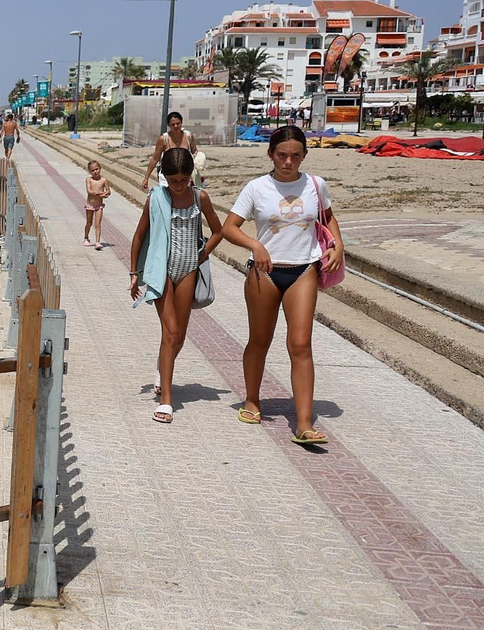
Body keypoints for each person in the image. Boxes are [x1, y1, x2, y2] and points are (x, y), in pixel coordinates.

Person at [220, 126, 342, 446]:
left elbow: (328, 218)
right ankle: (252, 400)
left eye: (295, 155)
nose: (288, 162)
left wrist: (337, 245)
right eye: (282, 155)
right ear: (271, 154)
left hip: (304, 270)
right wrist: (254, 245)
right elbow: (229, 228)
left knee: (300, 344)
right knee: (259, 341)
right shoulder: (257, 188)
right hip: (265, 273)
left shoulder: (316, 185)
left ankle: (303, 423)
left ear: (304, 155)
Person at [129, 148, 224, 425]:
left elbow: (219, 231)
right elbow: (139, 235)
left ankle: (163, 367)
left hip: (188, 270)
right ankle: (166, 399)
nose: (179, 185)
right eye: (173, 181)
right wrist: (134, 273)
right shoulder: (156, 198)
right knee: (170, 331)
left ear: (191, 175)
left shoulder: (199, 197)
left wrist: (203, 254)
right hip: (161, 271)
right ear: (164, 177)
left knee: (179, 334)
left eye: (183, 180)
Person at [141, 111, 199, 191]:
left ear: (181, 123)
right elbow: (155, 159)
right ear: (169, 125)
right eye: (173, 124)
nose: (176, 126)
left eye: (178, 123)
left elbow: (195, 152)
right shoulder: (163, 139)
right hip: (167, 176)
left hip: (184, 176)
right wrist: (146, 178)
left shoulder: (189, 136)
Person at [83, 161, 111, 250]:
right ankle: (86, 237)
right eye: (92, 170)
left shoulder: (104, 180)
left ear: (100, 168)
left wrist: (104, 194)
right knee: (89, 223)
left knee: (98, 224)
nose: (95, 172)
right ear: (89, 171)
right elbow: (89, 191)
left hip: (99, 206)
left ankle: (98, 242)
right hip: (90, 205)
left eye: (97, 169)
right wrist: (98, 193)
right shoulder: (89, 179)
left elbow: (108, 191)